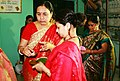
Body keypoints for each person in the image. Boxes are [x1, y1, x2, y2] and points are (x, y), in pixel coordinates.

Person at [32, 9, 87, 81]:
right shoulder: (76, 41)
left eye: (58, 27)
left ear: (67, 26)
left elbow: (60, 78)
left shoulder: (67, 50)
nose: (56, 31)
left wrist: (43, 69)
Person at [18, 1, 62, 81]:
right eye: (38, 14)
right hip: (31, 66)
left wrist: (51, 47)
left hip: (49, 67)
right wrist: (23, 50)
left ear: (51, 14)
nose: (41, 17)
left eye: (45, 14)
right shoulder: (30, 27)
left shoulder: (57, 28)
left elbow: (62, 52)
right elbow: (21, 46)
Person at [81, 15, 116, 81]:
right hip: (85, 57)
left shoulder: (102, 35)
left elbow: (104, 50)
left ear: (97, 24)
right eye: (89, 25)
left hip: (96, 61)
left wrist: (90, 51)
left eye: (92, 25)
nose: (90, 27)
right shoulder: (86, 33)